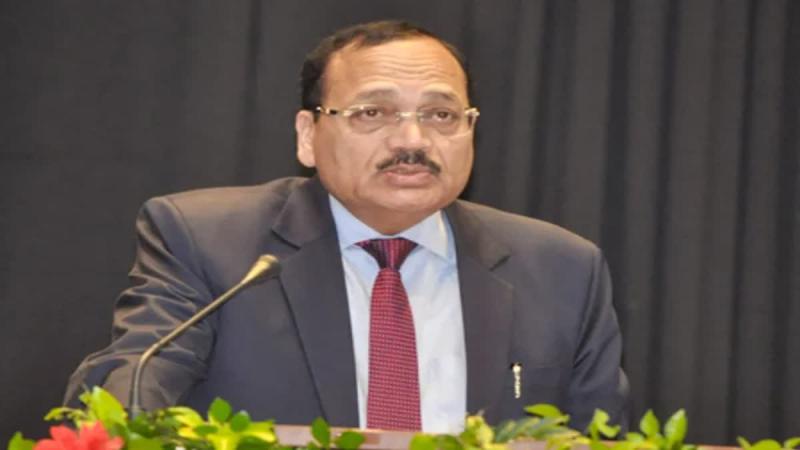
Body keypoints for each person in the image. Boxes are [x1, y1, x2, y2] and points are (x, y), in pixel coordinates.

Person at [65, 20, 629, 434]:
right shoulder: (207, 242)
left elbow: (601, 437)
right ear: (308, 136)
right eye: (372, 113)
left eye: (441, 114)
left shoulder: (561, 269)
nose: (412, 140)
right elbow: (131, 388)